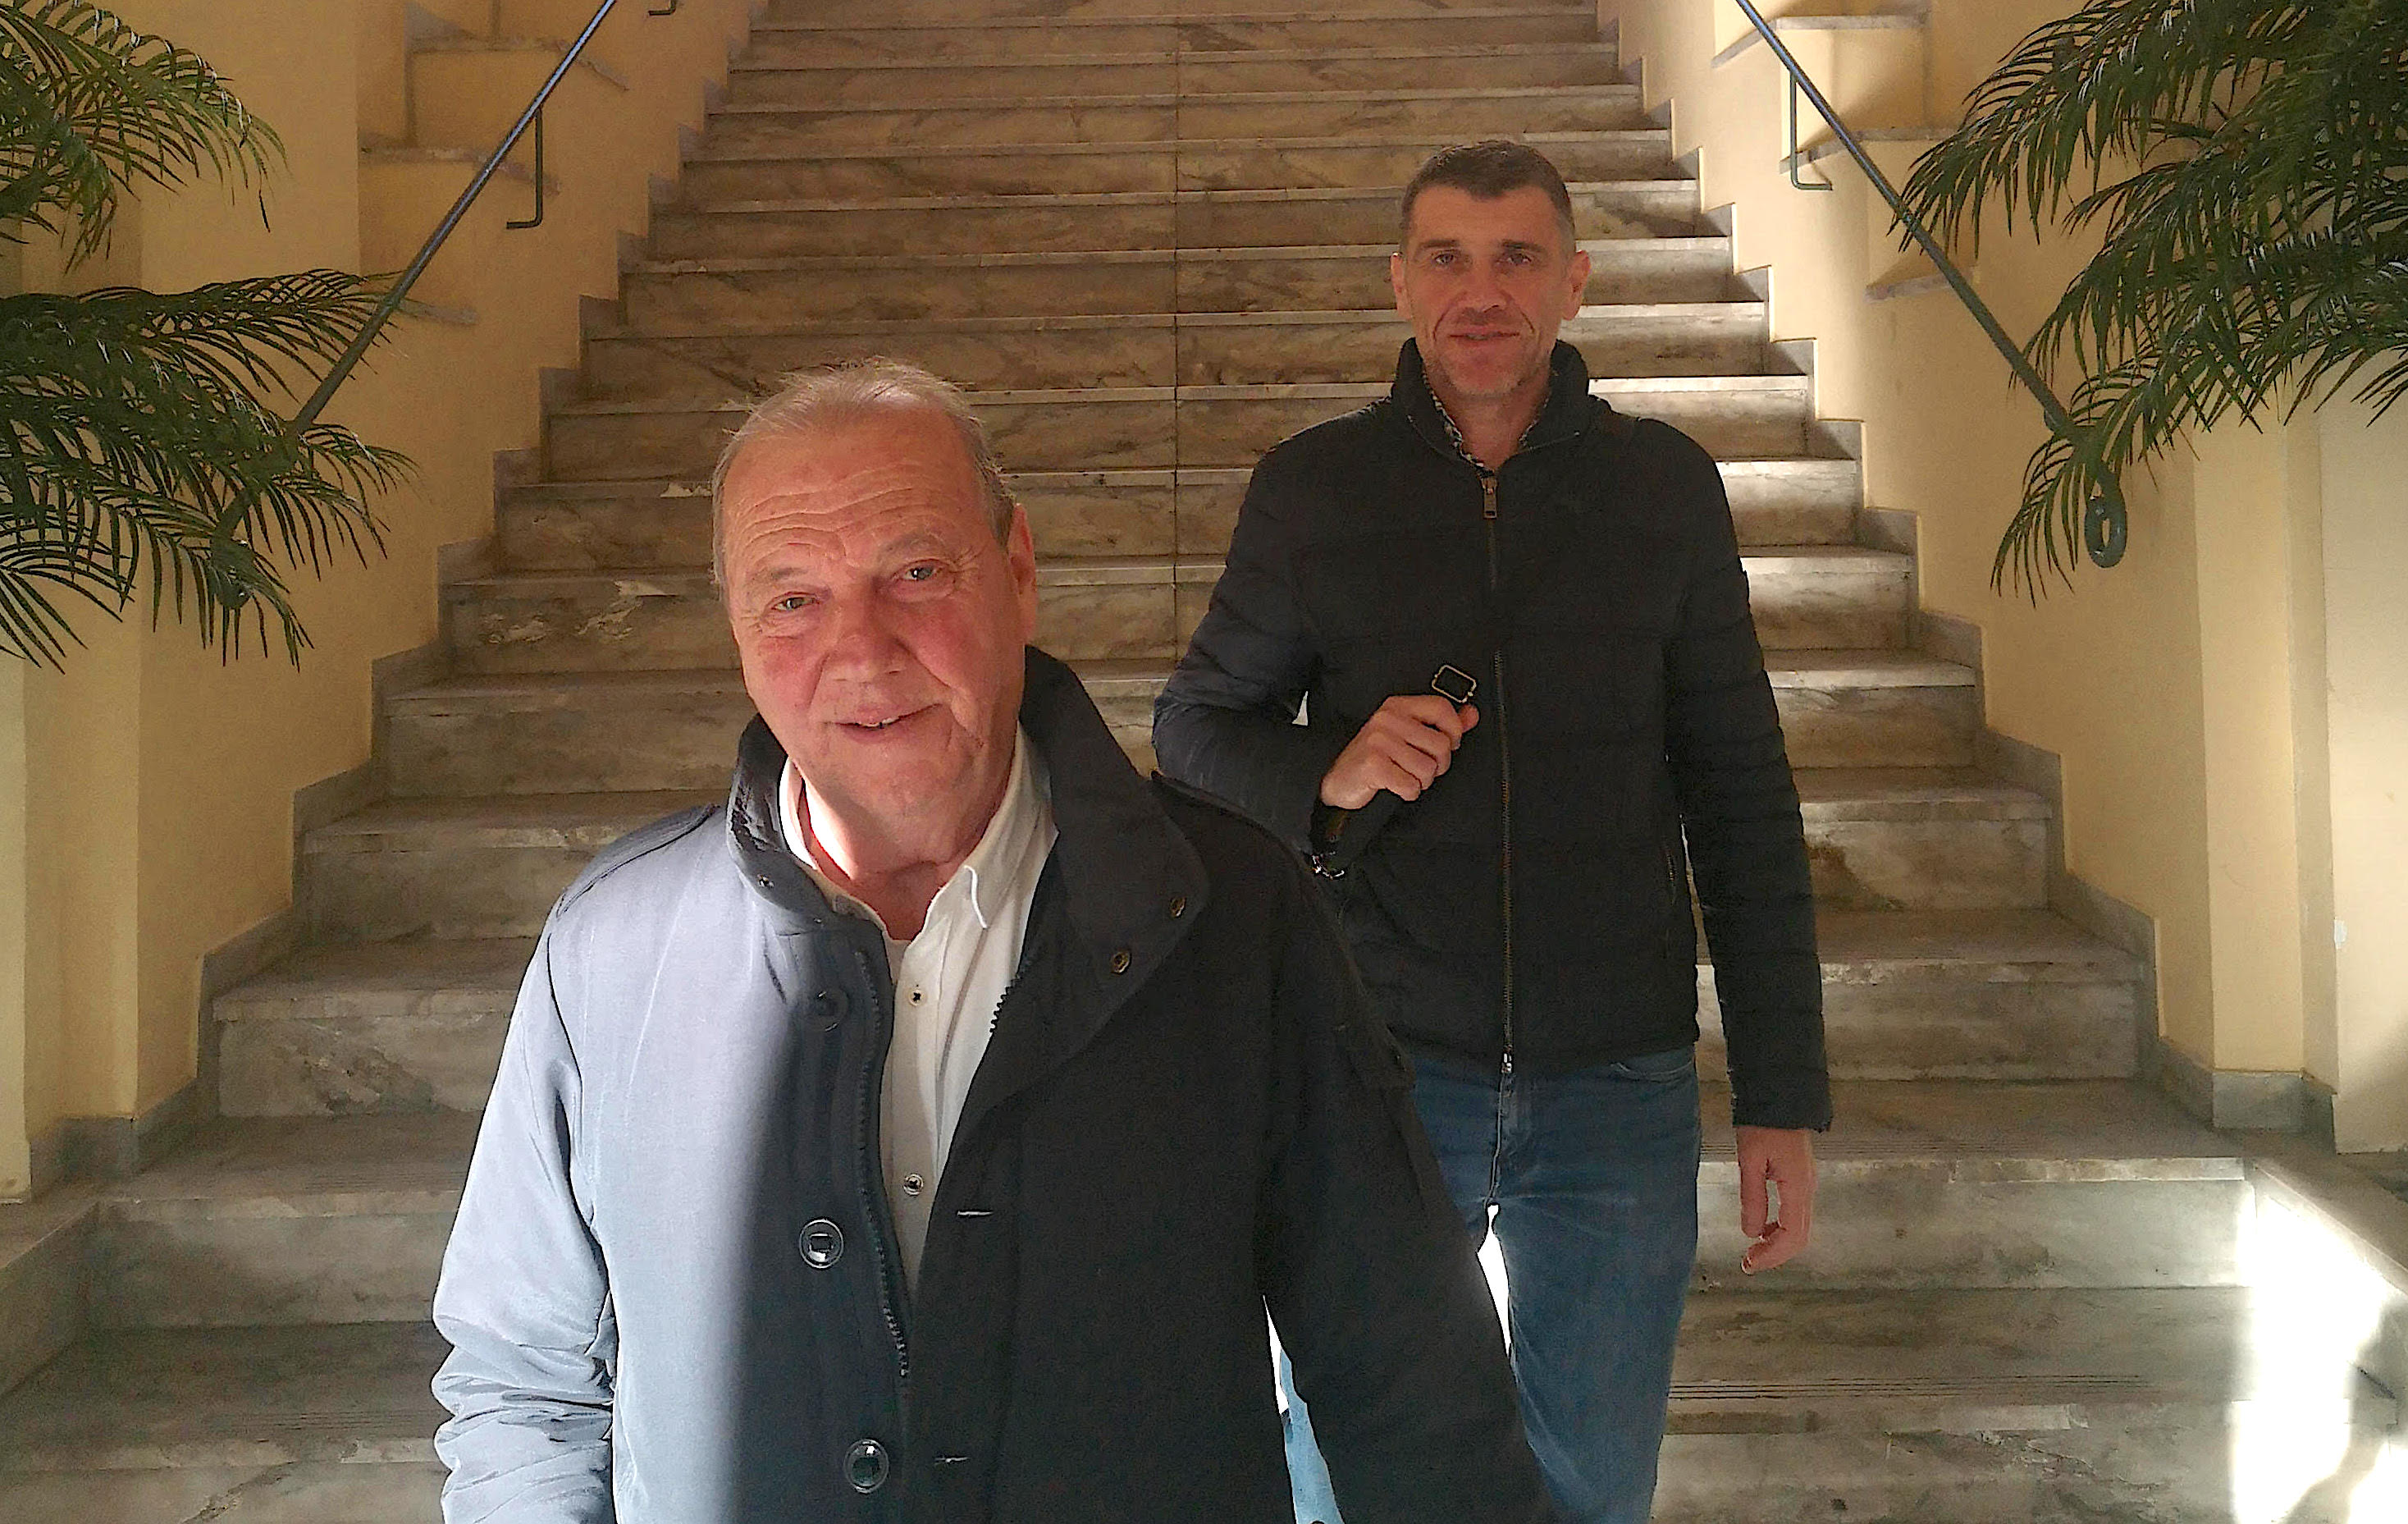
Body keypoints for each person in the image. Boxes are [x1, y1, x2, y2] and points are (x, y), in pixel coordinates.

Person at [430, 359, 1558, 1524]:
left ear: (1018, 571)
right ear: (736, 629)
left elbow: (1410, 1378)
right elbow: (525, 1381)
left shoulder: (1234, 917)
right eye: (792, 598)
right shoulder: (612, 950)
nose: (862, 651)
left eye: (916, 573)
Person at [1154, 142, 1834, 1524]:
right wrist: (1329, 767)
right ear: (1401, 282)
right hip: (1384, 1061)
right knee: (1352, 1455)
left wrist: (1780, 1093)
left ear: (1572, 282)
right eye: (1448, 258)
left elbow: (1743, 797)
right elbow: (1195, 730)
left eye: (1517, 256)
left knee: (1590, 1473)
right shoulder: (1315, 491)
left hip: (1617, 1077)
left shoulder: (1662, 490)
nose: (1482, 291)